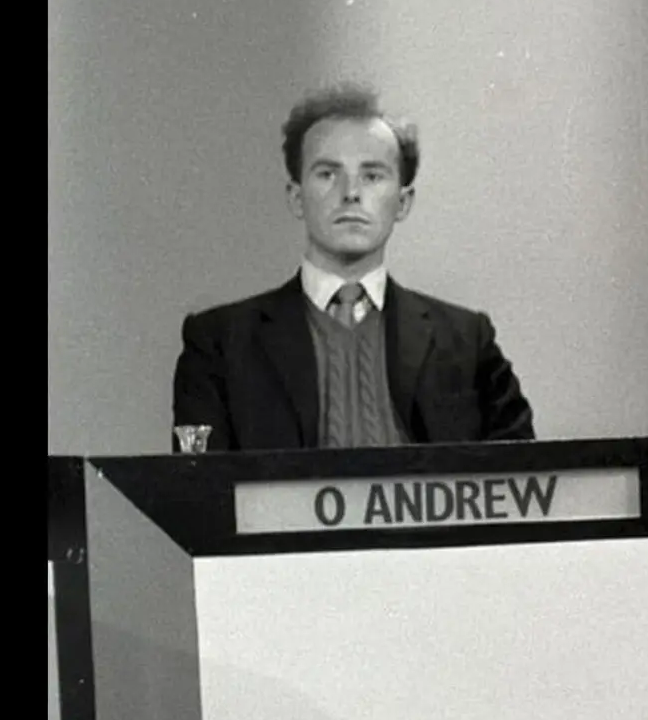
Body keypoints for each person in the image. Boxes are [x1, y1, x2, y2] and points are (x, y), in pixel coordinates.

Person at [170, 84, 535, 450]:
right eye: (328, 174)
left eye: (372, 175)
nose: (351, 193)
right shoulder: (219, 344)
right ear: (296, 198)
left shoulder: (468, 342)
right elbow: (200, 494)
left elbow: (522, 483)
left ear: (403, 203)